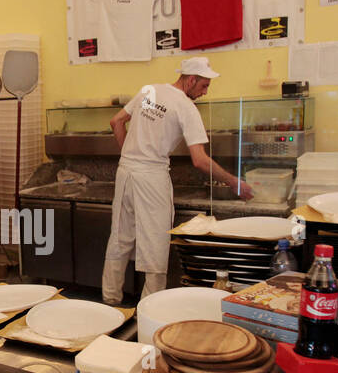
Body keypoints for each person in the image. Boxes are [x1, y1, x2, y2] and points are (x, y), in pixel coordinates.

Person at [102, 57, 253, 305]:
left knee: (120, 237)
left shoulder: (149, 90)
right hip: (151, 176)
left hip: (125, 172)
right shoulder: (185, 107)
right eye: (204, 86)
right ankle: (151, 309)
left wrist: (128, 153)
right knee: (156, 244)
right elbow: (200, 160)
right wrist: (233, 182)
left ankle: (110, 301)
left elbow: (116, 121)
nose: (204, 93)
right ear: (191, 79)